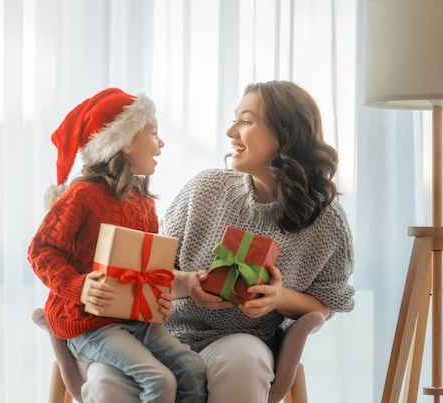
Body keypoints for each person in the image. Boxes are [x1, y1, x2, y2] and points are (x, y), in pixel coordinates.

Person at [82, 80, 355, 403]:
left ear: (285, 133)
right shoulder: (206, 189)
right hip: (162, 335)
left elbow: (326, 304)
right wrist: (189, 283)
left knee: (244, 360)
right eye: (234, 118)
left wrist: (278, 297)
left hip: (242, 339)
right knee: (106, 379)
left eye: (246, 120)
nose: (231, 131)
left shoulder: (326, 221)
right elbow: (152, 267)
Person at [28, 87, 208, 403]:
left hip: (135, 320)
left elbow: (149, 271)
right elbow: (40, 251)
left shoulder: (144, 204)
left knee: (193, 369)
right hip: (89, 324)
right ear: (125, 143)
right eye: (153, 133)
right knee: (160, 380)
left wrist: (161, 295)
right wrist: (78, 286)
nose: (161, 144)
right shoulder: (81, 197)